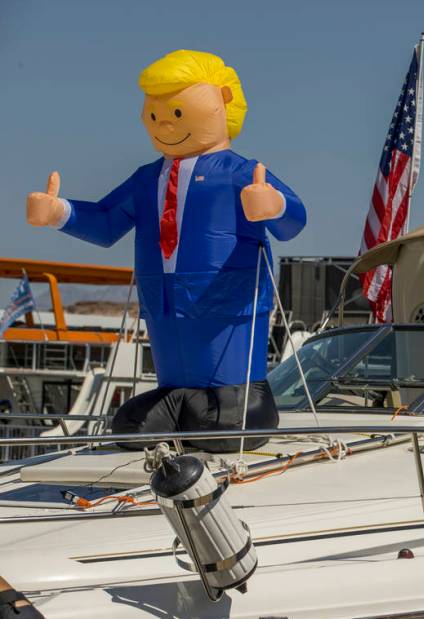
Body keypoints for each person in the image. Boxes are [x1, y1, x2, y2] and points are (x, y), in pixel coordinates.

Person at [25, 50, 306, 452]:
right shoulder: (146, 180)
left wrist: (273, 205)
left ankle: (245, 400)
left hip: (227, 305)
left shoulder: (240, 173)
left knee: (228, 420)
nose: (164, 125)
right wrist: (60, 212)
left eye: (176, 113)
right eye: (155, 116)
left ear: (223, 101)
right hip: (163, 307)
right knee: (130, 424)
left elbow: (295, 220)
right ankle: (177, 399)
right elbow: (107, 222)